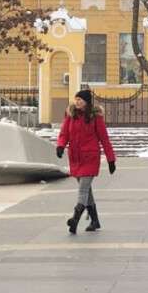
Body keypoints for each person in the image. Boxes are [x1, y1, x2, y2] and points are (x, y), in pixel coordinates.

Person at [56, 89, 116, 234]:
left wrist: (111, 159)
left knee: (83, 189)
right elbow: (64, 133)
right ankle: (95, 221)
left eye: (80, 100)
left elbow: (104, 139)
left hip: (90, 158)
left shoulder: (95, 117)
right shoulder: (71, 115)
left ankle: (75, 219)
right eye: (76, 99)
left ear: (87, 102)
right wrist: (60, 145)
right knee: (87, 191)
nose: (77, 102)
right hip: (75, 158)